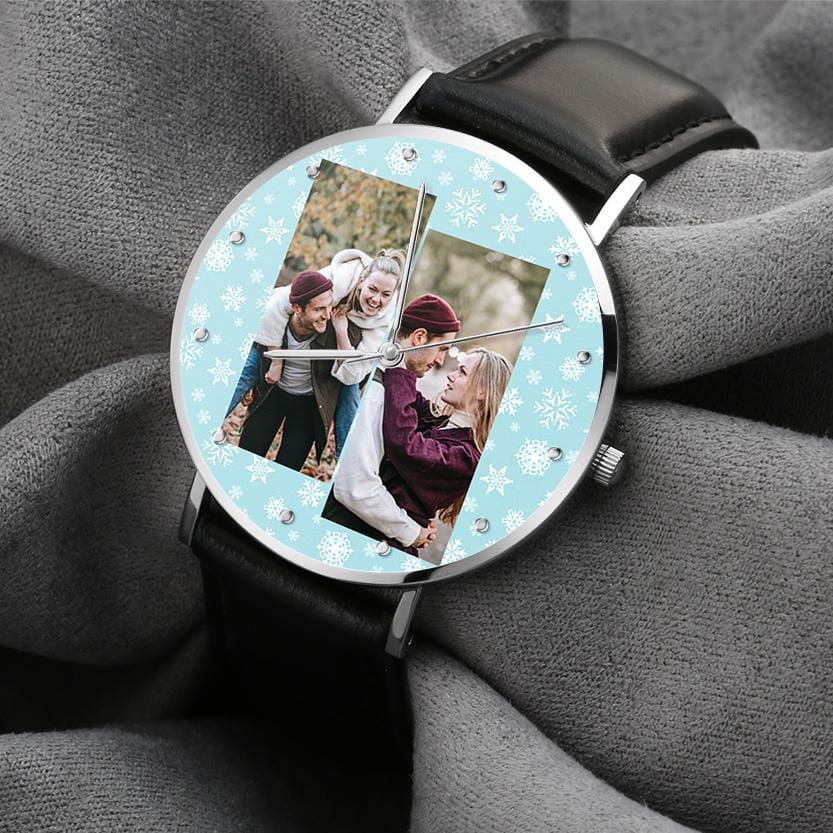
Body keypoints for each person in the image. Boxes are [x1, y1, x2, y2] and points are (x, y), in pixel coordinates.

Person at [226, 249, 404, 454]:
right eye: (372, 289)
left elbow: (353, 374)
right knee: (250, 365)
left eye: (386, 294)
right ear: (361, 280)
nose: (376, 299)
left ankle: (346, 461)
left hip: (341, 352)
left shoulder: (385, 320)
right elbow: (277, 305)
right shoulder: (338, 279)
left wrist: (341, 331)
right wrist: (277, 360)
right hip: (276, 332)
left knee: (351, 394)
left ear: (393, 294)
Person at [323, 293, 462, 550]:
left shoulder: (394, 386)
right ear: (419, 337)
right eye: (441, 348)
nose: (441, 361)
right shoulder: (377, 393)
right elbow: (354, 485)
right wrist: (411, 531)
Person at [379, 346, 513, 554]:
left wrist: (399, 371)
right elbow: (405, 394)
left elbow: (404, 444)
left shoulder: (468, 457)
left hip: (387, 544)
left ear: (482, 391)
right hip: (378, 525)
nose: (450, 375)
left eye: (462, 372)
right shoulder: (437, 421)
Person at [237, 269, 347, 470]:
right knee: (246, 456)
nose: (327, 315)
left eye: (329, 306)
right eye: (319, 309)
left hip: (307, 406)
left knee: (288, 468)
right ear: (296, 308)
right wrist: (251, 383)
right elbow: (254, 351)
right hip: (273, 395)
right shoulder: (274, 327)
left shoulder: (333, 330)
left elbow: (352, 372)